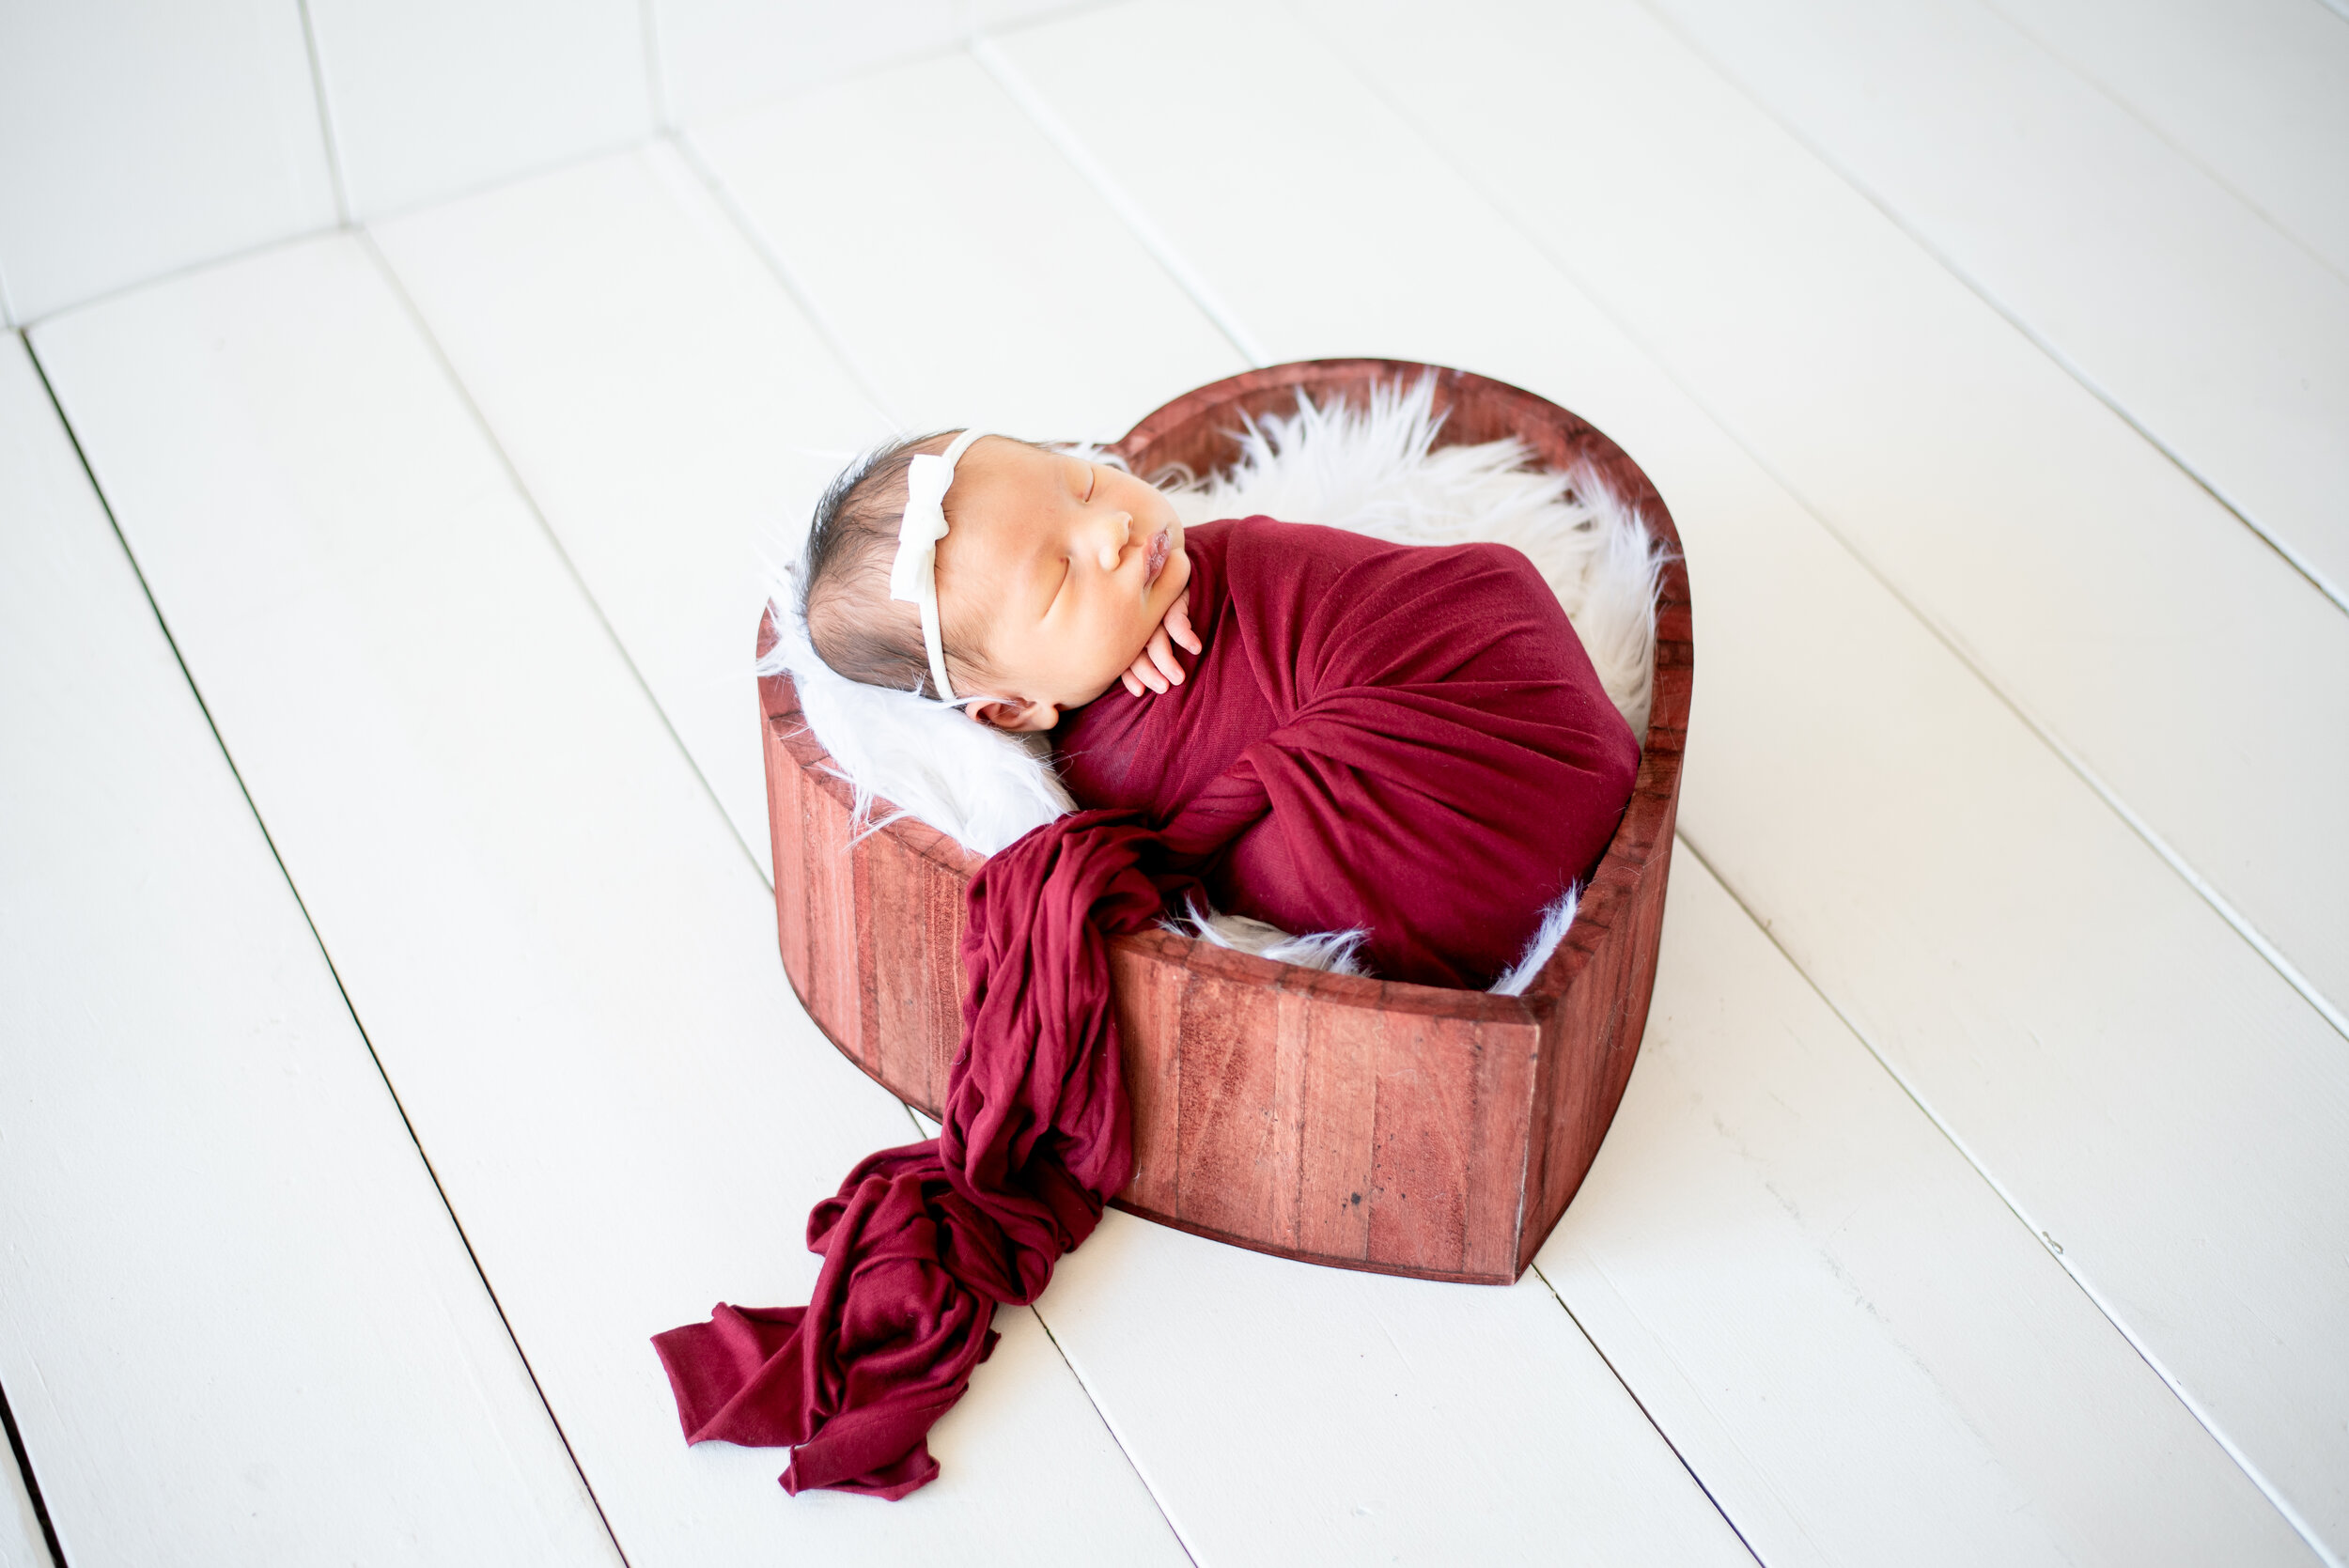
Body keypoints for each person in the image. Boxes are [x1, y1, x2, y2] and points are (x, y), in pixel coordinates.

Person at [799, 427, 1639, 988]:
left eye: (1084, 483)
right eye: (1061, 576)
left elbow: (1326, 594)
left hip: (1482, 672)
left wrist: (1197, 583)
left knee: (1474, 606)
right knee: (1311, 854)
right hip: (1461, 819)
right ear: (1014, 709)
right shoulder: (1100, 758)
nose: (1112, 531)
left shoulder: (1216, 564)